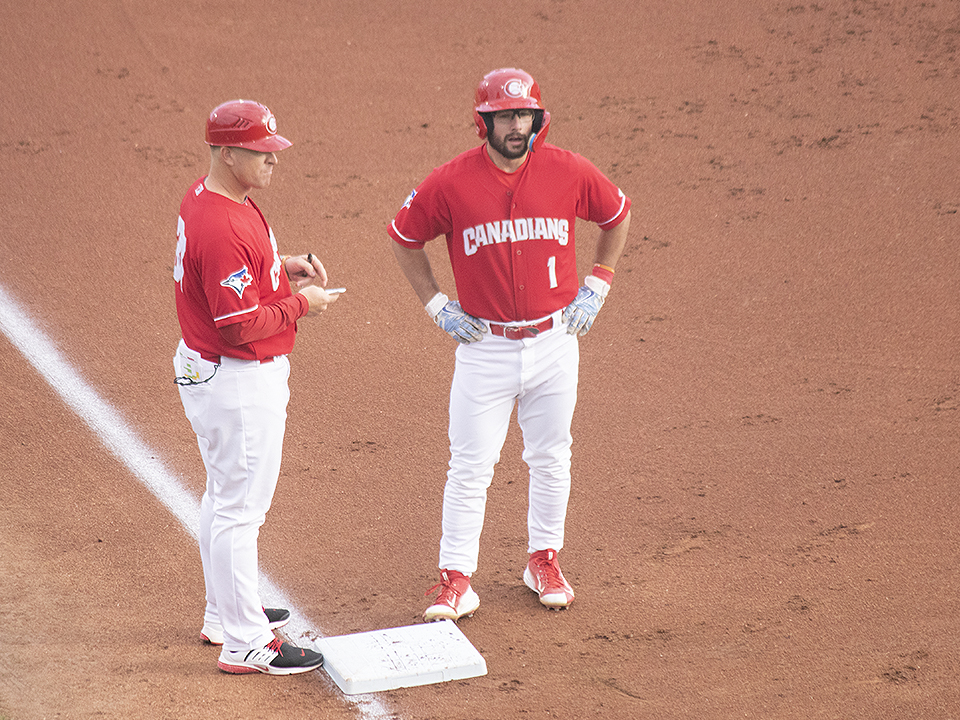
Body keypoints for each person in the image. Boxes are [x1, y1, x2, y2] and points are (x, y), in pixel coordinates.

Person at [388, 68, 632, 621]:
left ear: (537, 119)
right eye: (504, 116)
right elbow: (404, 237)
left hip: (554, 342)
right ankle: (456, 580)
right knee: (470, 466)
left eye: (524, 115)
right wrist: (435, 304)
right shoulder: (450, 182)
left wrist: (597, 284)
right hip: (485, 347)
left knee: (551, 456)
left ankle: (543, 560)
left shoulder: (568, 170)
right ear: (485, 122)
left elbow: (616, 214)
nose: (515, 126)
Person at [173, 99, 337, 674]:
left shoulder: (214, 197)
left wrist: (280, 266)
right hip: (238, 379)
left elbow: (234, 279)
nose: (273, 160)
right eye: (260, 152)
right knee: (241, 510)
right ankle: (246, 642)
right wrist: (302, 304)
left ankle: (225, 611)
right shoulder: (221, 225)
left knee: (224, 498)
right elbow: (237, 323)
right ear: (224, 152)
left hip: (214, 370)